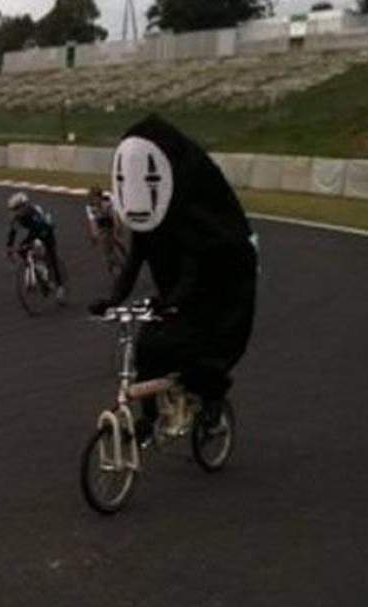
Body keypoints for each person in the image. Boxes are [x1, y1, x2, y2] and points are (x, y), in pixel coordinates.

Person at [88, 114, 257, 445]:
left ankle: (211, 402)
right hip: (174, 301)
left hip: (208, 299)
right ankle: (149, 418)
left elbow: (194, 272)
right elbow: (132, 264)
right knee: (146, 350)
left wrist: (170, 303)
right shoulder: (150, 224)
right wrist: (112, 301)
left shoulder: (190, 222)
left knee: (194, 354)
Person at [6, 191, 66, 303]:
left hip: (45, 230)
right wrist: (9, 248)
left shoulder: (32, 212)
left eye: (16, 209)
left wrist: (34, 242)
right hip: (34, 231)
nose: (15, 213)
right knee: (22, 250)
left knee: (50, 256)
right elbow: (12, 233)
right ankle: (37, 269)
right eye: (13, 210)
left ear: (24, 206)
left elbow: (41, 228)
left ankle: (60, 286)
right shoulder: (17, 218)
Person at [85, 185, 127, 267]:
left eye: (94, 198)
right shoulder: (90, 206)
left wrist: (117, 226)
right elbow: (93, 222)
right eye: (91, 198)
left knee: (117, 238)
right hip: (101, 218)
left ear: (100, 197)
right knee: (104, 240)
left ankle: (123, 251)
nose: (93, 201)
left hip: (111, 215)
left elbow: (115, 215)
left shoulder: (109, 198)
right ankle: (110, 257)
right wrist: (94, 235)